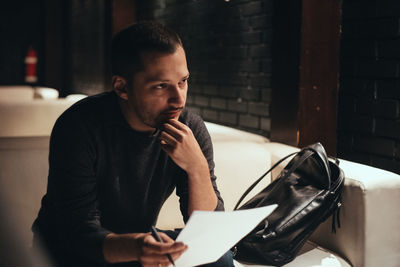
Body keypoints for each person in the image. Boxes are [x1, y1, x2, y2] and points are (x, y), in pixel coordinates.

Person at [32, 21, 234, 267]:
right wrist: (139, 247)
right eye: (161, 86)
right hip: (72, 251)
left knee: (220, 259)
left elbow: (209, 231)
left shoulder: (189, 127)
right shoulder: (79, 126)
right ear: (122, 87)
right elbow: (77, 232)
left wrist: (197, 167)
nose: (178, 99)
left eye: (183, 81)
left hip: (138, 242)